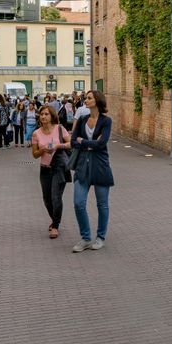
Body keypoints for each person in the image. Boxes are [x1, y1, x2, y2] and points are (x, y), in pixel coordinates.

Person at [70, 90, 114, 252]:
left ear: (97, 101)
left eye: (89, 98)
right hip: (82, 165)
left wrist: (84, 141)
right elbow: (74, 141)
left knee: (102, 205)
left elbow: (102, 143)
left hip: (100, 165)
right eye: (86, 98)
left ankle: (100, 237)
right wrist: (89, 142)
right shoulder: (82, 120)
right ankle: (86, 238)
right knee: (78, 203)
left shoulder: (106, 121)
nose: (86, 100)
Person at [31, 104, 71, 239]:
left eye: (46, 114)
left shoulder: (60, 129)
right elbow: (35, 154)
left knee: (56, 197)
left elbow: (71, 144)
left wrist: (58, 146)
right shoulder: (36, 133)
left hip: (59, 167)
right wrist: (43, 150)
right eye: (41, 114)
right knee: (47, 199)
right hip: (45, 169)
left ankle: (55, 226)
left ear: (52, 116)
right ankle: (54, 219)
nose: (43, 116)